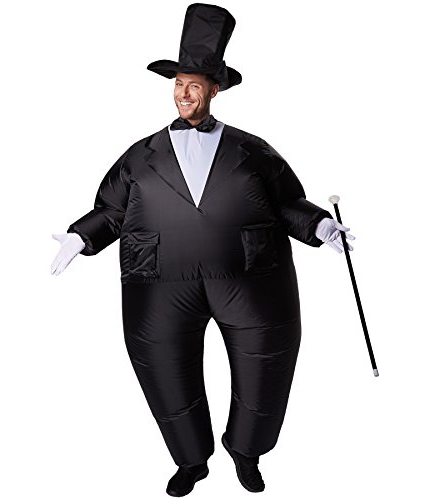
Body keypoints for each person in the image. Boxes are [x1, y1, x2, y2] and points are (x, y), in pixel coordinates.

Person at [51, 3, 355, 497]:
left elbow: (287, 202)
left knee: (266, 366)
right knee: (165, 369)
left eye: (194, 85)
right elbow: (112, 209)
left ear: (215, 90)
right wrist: (80, 236)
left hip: (250, 281)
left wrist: (321, 225)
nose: (184, 94)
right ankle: (191, 461)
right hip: (160, 283)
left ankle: (248, 452)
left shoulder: (252, 149)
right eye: (179, 84)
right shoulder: (141, 155)